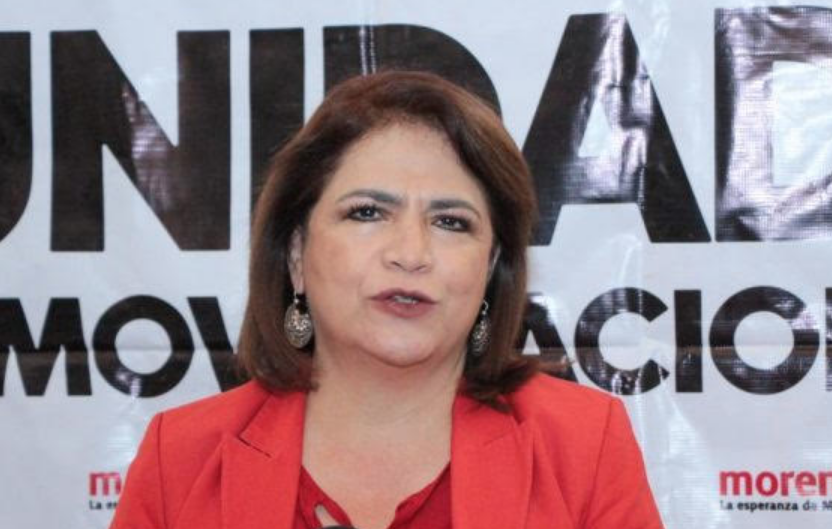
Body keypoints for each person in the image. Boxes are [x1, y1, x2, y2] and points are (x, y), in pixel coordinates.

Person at [110, 70, 664, 529]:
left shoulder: (583, 447)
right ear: (297, 254)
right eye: (368, 213)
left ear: (491, 266)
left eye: (451, 222)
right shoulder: (180, 458)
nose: (410, 253)